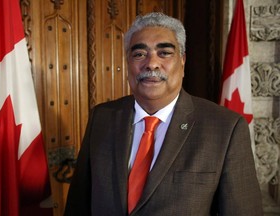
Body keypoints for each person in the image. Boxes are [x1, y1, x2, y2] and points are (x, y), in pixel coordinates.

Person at [64, 12, 263, 215]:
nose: (151, 64)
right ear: (127, 63)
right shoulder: (102, 117)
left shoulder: (225, 128)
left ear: (182, 61)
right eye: (139, 54)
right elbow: (78, 205)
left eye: (164, 53)